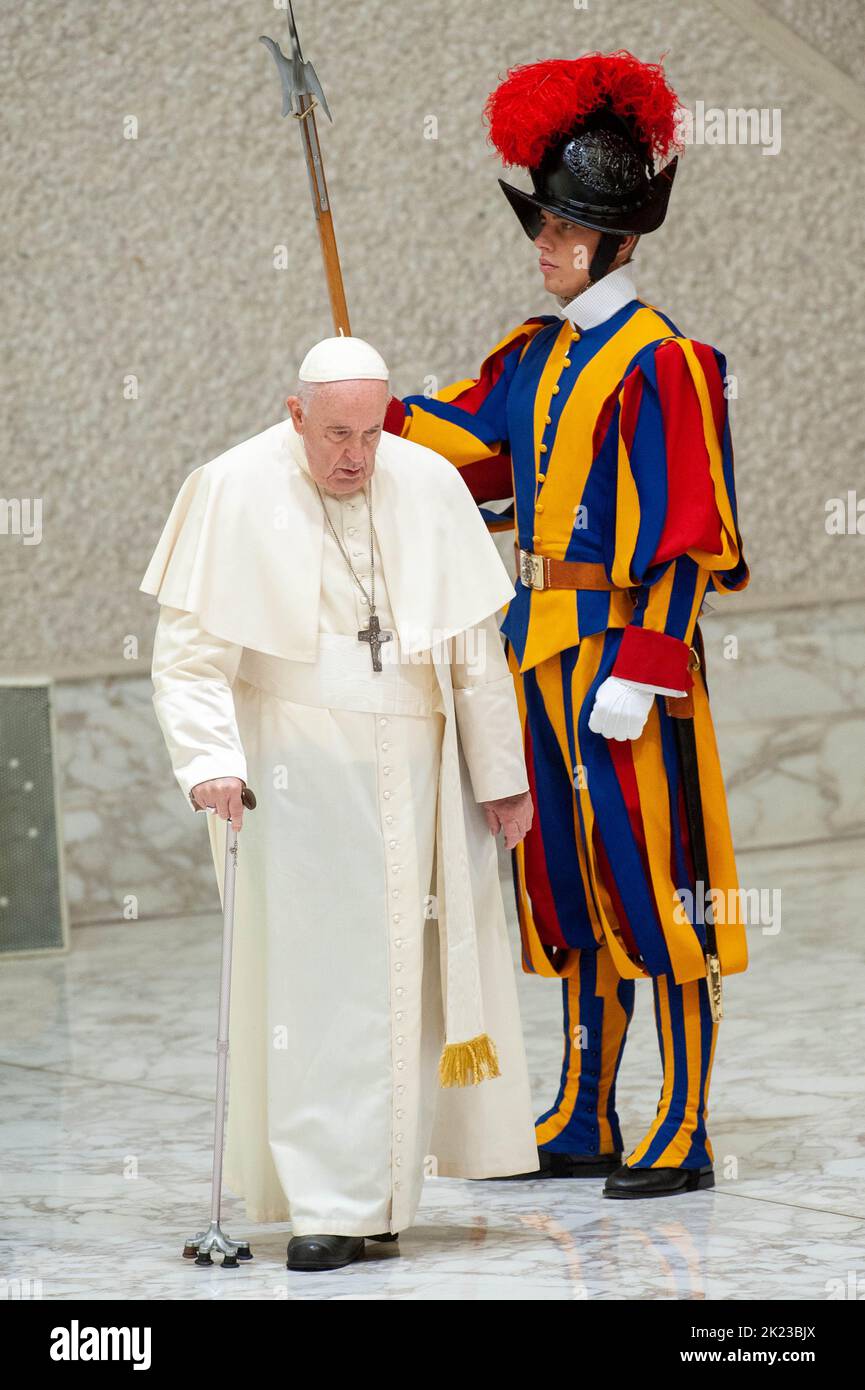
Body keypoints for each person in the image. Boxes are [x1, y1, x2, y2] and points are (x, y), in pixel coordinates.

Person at [383, 51, 750, 1199]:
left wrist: (645, 665)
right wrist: (366, 407)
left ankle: (680, 1121)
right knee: (569, 886)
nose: (540, 245)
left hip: (623, 657)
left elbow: (692, 532)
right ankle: (586, 1108)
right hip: (532, 653)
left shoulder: (666, 366)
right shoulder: (534, 356)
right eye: (540, 226)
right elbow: (455, 447)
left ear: (613, 240)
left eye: (559, 230)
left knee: (652, 881)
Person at [139, 333, 538, 1270]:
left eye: (370, 432)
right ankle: (327, 1202)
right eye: (333, 435)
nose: (354, 456)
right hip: (296, 782)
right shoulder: (232, 489)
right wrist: (209, 761)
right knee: (321, 994)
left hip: (421, 781)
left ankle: (383, 1196)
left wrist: (502, 774)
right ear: (293, 416)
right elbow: (190, 655)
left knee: (410, 994)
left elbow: (474, 653)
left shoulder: (429, 484)